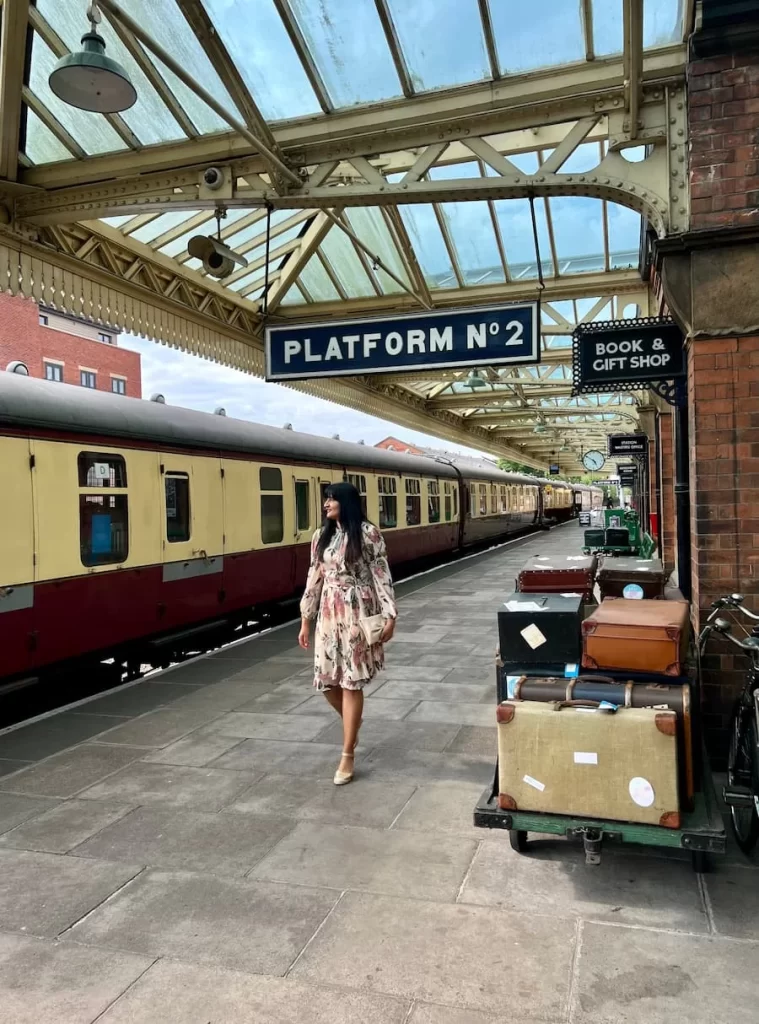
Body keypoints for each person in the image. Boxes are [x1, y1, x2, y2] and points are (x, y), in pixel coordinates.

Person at [298, 481, 397, 785]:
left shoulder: (368, 534)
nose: (326, 504)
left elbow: (381, 574)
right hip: (329, 612)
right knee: (327, 682)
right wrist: (305, 618)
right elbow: (313, 577)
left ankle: (347, 755)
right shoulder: (321, 536)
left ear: (346, 502)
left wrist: (390, 614)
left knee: (351, 681)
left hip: (357, 611)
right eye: (326, 499)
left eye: (331, 499)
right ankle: (353, 724)